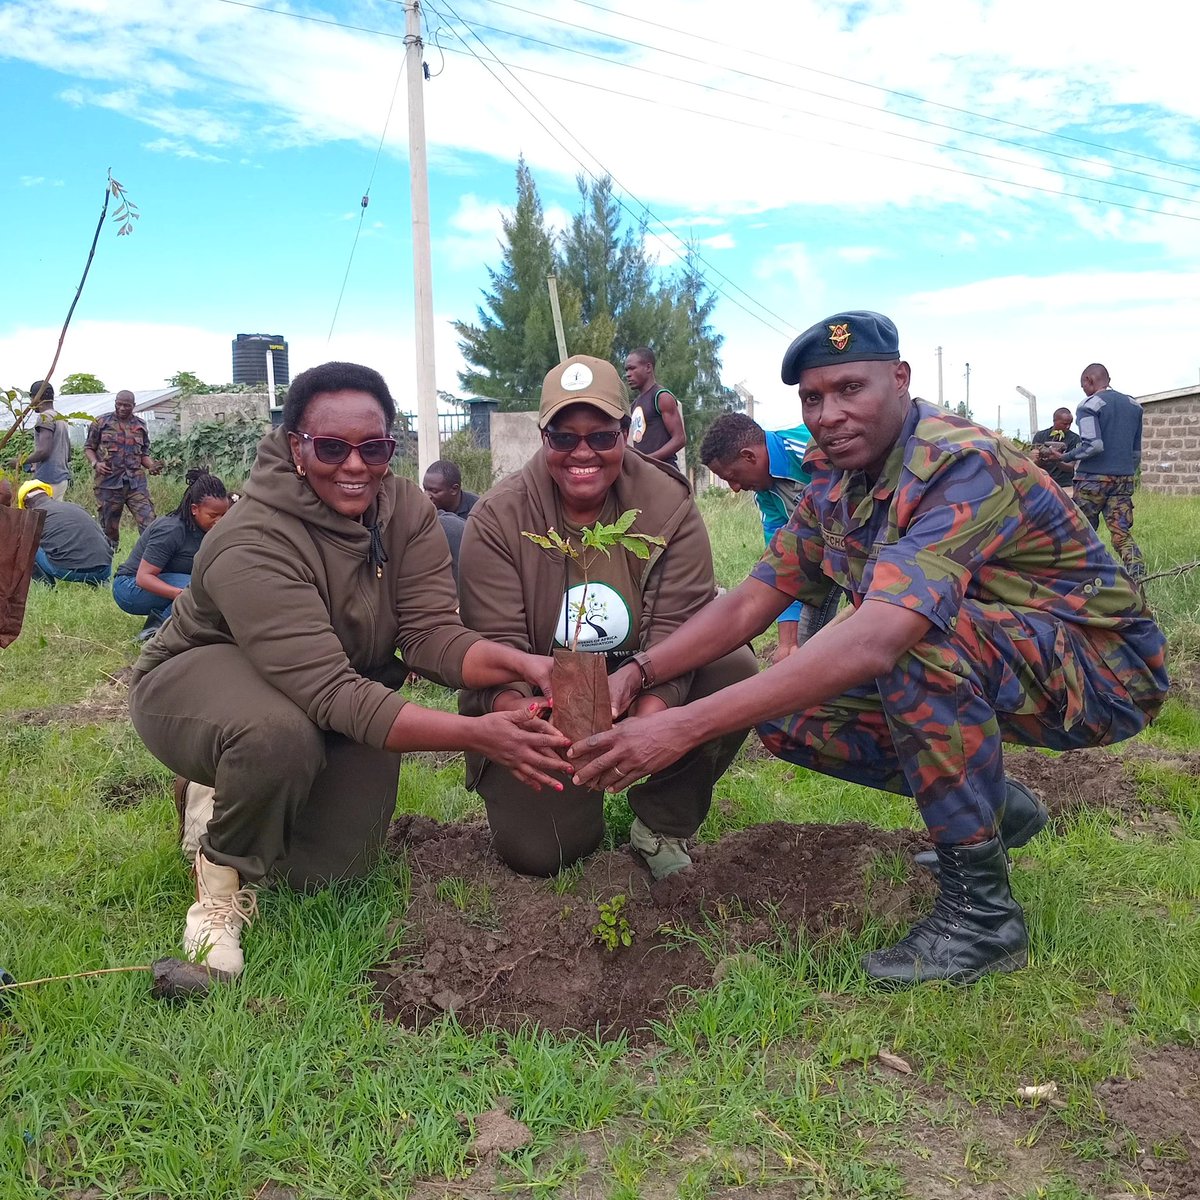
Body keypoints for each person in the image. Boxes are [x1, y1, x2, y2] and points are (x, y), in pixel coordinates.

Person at [568, 311, 1168, 986]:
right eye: (813, 398)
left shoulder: (958, 463)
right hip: (1007, 655)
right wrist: (641, 671)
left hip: (1105, 671)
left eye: (850, 389)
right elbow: (752, 599)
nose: (828, 414)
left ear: (900, 380)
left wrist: (681, 726)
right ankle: (997, 806)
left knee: (916, 641)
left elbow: (882, 637)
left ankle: (983, 917)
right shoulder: (834, 476)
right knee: (786, 713)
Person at [128, 361, 571, 978]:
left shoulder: (405, 508)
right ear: (296, 447)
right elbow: (334, 694)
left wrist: (524, 663)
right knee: (275, 735)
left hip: (331, 684)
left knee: (332, 873)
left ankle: (248, 791)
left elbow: (428, 635)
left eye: (375, 447)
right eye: (332, 447)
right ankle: (219, 880)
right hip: (202, 677)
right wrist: (477, 733)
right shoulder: (249, 540)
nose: (355, 465)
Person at [458, 354, 757, 880]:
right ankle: (573, 812)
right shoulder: (499, 517)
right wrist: (528, 725)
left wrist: (648, 721)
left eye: (601, 437)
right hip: (541, 705)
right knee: (545, 853)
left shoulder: (667, 505)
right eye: (563, 437)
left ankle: (661, 820)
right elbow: (497, 651)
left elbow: (680, 632)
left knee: (732, 667)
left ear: (626, 432)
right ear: (543, 436)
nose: (582, 453)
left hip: (645, 686)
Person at [700, 412, 840, 663]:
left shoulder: (806, 447)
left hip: (875, 546)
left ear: (749, 456)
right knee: (803, 650)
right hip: (827, 552)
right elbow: (784, 568)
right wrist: (787, 644)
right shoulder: (765, 496)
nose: (734, 488)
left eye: (732, 477)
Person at [112, 470, 231, 637]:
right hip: (130, 588)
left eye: (224, 515)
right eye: (213, 515)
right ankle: (155, 634)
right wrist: (182, 595)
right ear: (195, 509)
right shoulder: (171, 530)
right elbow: (143, 578)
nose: (219, 520)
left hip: (166, 582)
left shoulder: (209, 531)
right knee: (200, 589)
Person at [1062, 364, 1146, 580]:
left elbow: (1093, 445)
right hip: (1123, 479)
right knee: (1121, 532)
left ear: (1089, 380)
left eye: (1083, 386)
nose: (1084, 390)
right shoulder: (1134, 406)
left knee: (1082, 531)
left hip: (1093, 481)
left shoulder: (1089, 406)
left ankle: (1081, 577)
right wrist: (1124, 473)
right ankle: (1139, 576)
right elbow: (1136, 453)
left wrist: (1066, 457)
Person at [84, 389, 162, 548]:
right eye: (118, 404)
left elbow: (143, 454)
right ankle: (108, 561)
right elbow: (89, 448)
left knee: (149, 522)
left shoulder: (140, 426)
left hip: (136, 484)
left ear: (133, 405)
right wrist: (96, 464)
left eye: (126, 405)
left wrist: (152, 466)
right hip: (108, 484)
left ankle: (149, 557)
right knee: (109, 529)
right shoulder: (101, 422)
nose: (122, 408)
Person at [16, 480, 113, 587]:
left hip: (69, 572)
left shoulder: (32, 518)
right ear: (47, 494)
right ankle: (101, 583)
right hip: (105, 568)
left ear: (26, 505)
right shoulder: (75, 507)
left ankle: (46, 586)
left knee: (26, 544)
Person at [624, 347, 686, 469]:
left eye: (632, 368)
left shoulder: (661, 397)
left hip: (664, 471)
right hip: (645, 472)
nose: (628, 374)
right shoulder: (635, 404)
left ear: (648, 367)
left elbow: (680, 439)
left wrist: (648, 460)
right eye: (626, 370)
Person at [20, 382, 73, 499]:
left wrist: (20, 461)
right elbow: (68, 454)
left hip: (49, 480)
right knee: (54, 515)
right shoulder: (60, 418)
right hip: (61, 478)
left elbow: (43, 451)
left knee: (43, 515)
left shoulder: (45, 417)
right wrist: (35, 465)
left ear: (37, 398)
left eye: (32, 398)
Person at [1030, 408, 1081, 492]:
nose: (1068, 427)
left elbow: (1070, 467)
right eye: (1064, 424)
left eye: (1070, 424)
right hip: (1043, 483)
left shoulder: (1074, 438)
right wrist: (1042, 457)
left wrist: (1056, 459)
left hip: (1064, 485)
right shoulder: (1040, 436)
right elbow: (1035, 464)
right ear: (1055, 421)